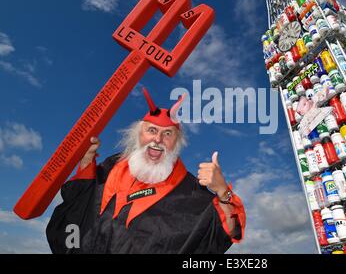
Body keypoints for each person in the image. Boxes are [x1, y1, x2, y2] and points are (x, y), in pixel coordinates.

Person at [46, 88, 246, 253]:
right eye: (152, 130)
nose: (158, 140)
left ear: (177, 143)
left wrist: (222, 192)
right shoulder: (111, 166)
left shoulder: (191, 190)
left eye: (167, 134)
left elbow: (224, 231)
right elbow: (79, 201)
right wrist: (86, 160)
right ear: (137, 135)